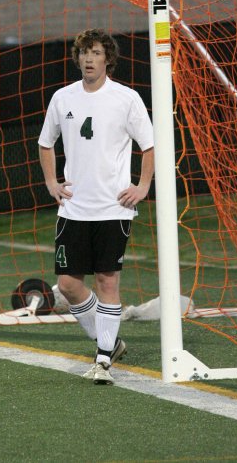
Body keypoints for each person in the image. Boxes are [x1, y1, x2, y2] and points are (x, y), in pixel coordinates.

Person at [38, 28, 154, 385]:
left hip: (113, 208)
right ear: (78, 58)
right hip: (73, 209)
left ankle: (103, 358)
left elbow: (149, 146)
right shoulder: (62, 97)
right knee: (68, 285)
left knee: (107, 280)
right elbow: (45, 143)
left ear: (108, 59)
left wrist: (143, 185)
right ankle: (109, 341)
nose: (89, 59)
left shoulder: (126, 98)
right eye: (85, 53)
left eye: (96, 53)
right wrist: (52, 182)